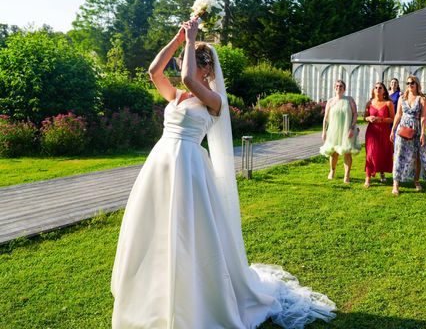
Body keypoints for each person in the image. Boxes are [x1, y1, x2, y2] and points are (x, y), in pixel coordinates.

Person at [111, 20, 335, 328]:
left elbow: (189, 77)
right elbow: (153, 72)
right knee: (157, 228)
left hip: (188, 167)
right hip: (160, 164)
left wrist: (191, 40)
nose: (181, 63)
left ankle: (196, 297)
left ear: (206, 69)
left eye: (188, 57)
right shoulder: (175, 96)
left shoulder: (214, 102)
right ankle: (156, 296)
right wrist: (178, 39)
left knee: (188, 232)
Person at [390, 75, 426, 195]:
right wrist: (393, 130)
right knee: (398, 155)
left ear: (417, 84)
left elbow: (423, 117)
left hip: (416, 129)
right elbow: (398, 115)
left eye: (412, 83)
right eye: (408, 83)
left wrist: (423, 133)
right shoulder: (402, 98)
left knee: (417, 156)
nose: (410, 85)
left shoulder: (422, 99)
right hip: (402, 129)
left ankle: (416, 180)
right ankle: (396, 183)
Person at [320, 79, 360, 183]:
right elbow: (325, 118)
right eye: (337, 86)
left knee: (347, 152)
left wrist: (352, 128)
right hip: (333, 131)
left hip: (347, 130)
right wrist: (324, 131)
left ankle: (347, 175)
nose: (339, 88)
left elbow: (355, 114)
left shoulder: (349, 100)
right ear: (334, 88)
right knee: (333, 152)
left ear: (344, 89)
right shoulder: (330, 101)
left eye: (341, 86)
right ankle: (332, 171)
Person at [364, 82, 395, 188]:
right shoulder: (369, 103)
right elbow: (365, 117)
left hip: (384, 131)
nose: (377, 89)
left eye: (380, 88)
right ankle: (368, 177)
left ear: (384, 91)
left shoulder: (388, 103)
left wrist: (380, 119)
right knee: (370, 153)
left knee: (382, 153)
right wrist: (369, 118)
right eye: (376, 87)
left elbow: (393, 119)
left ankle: (382, 172)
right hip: (372, 132)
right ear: (373, 90)